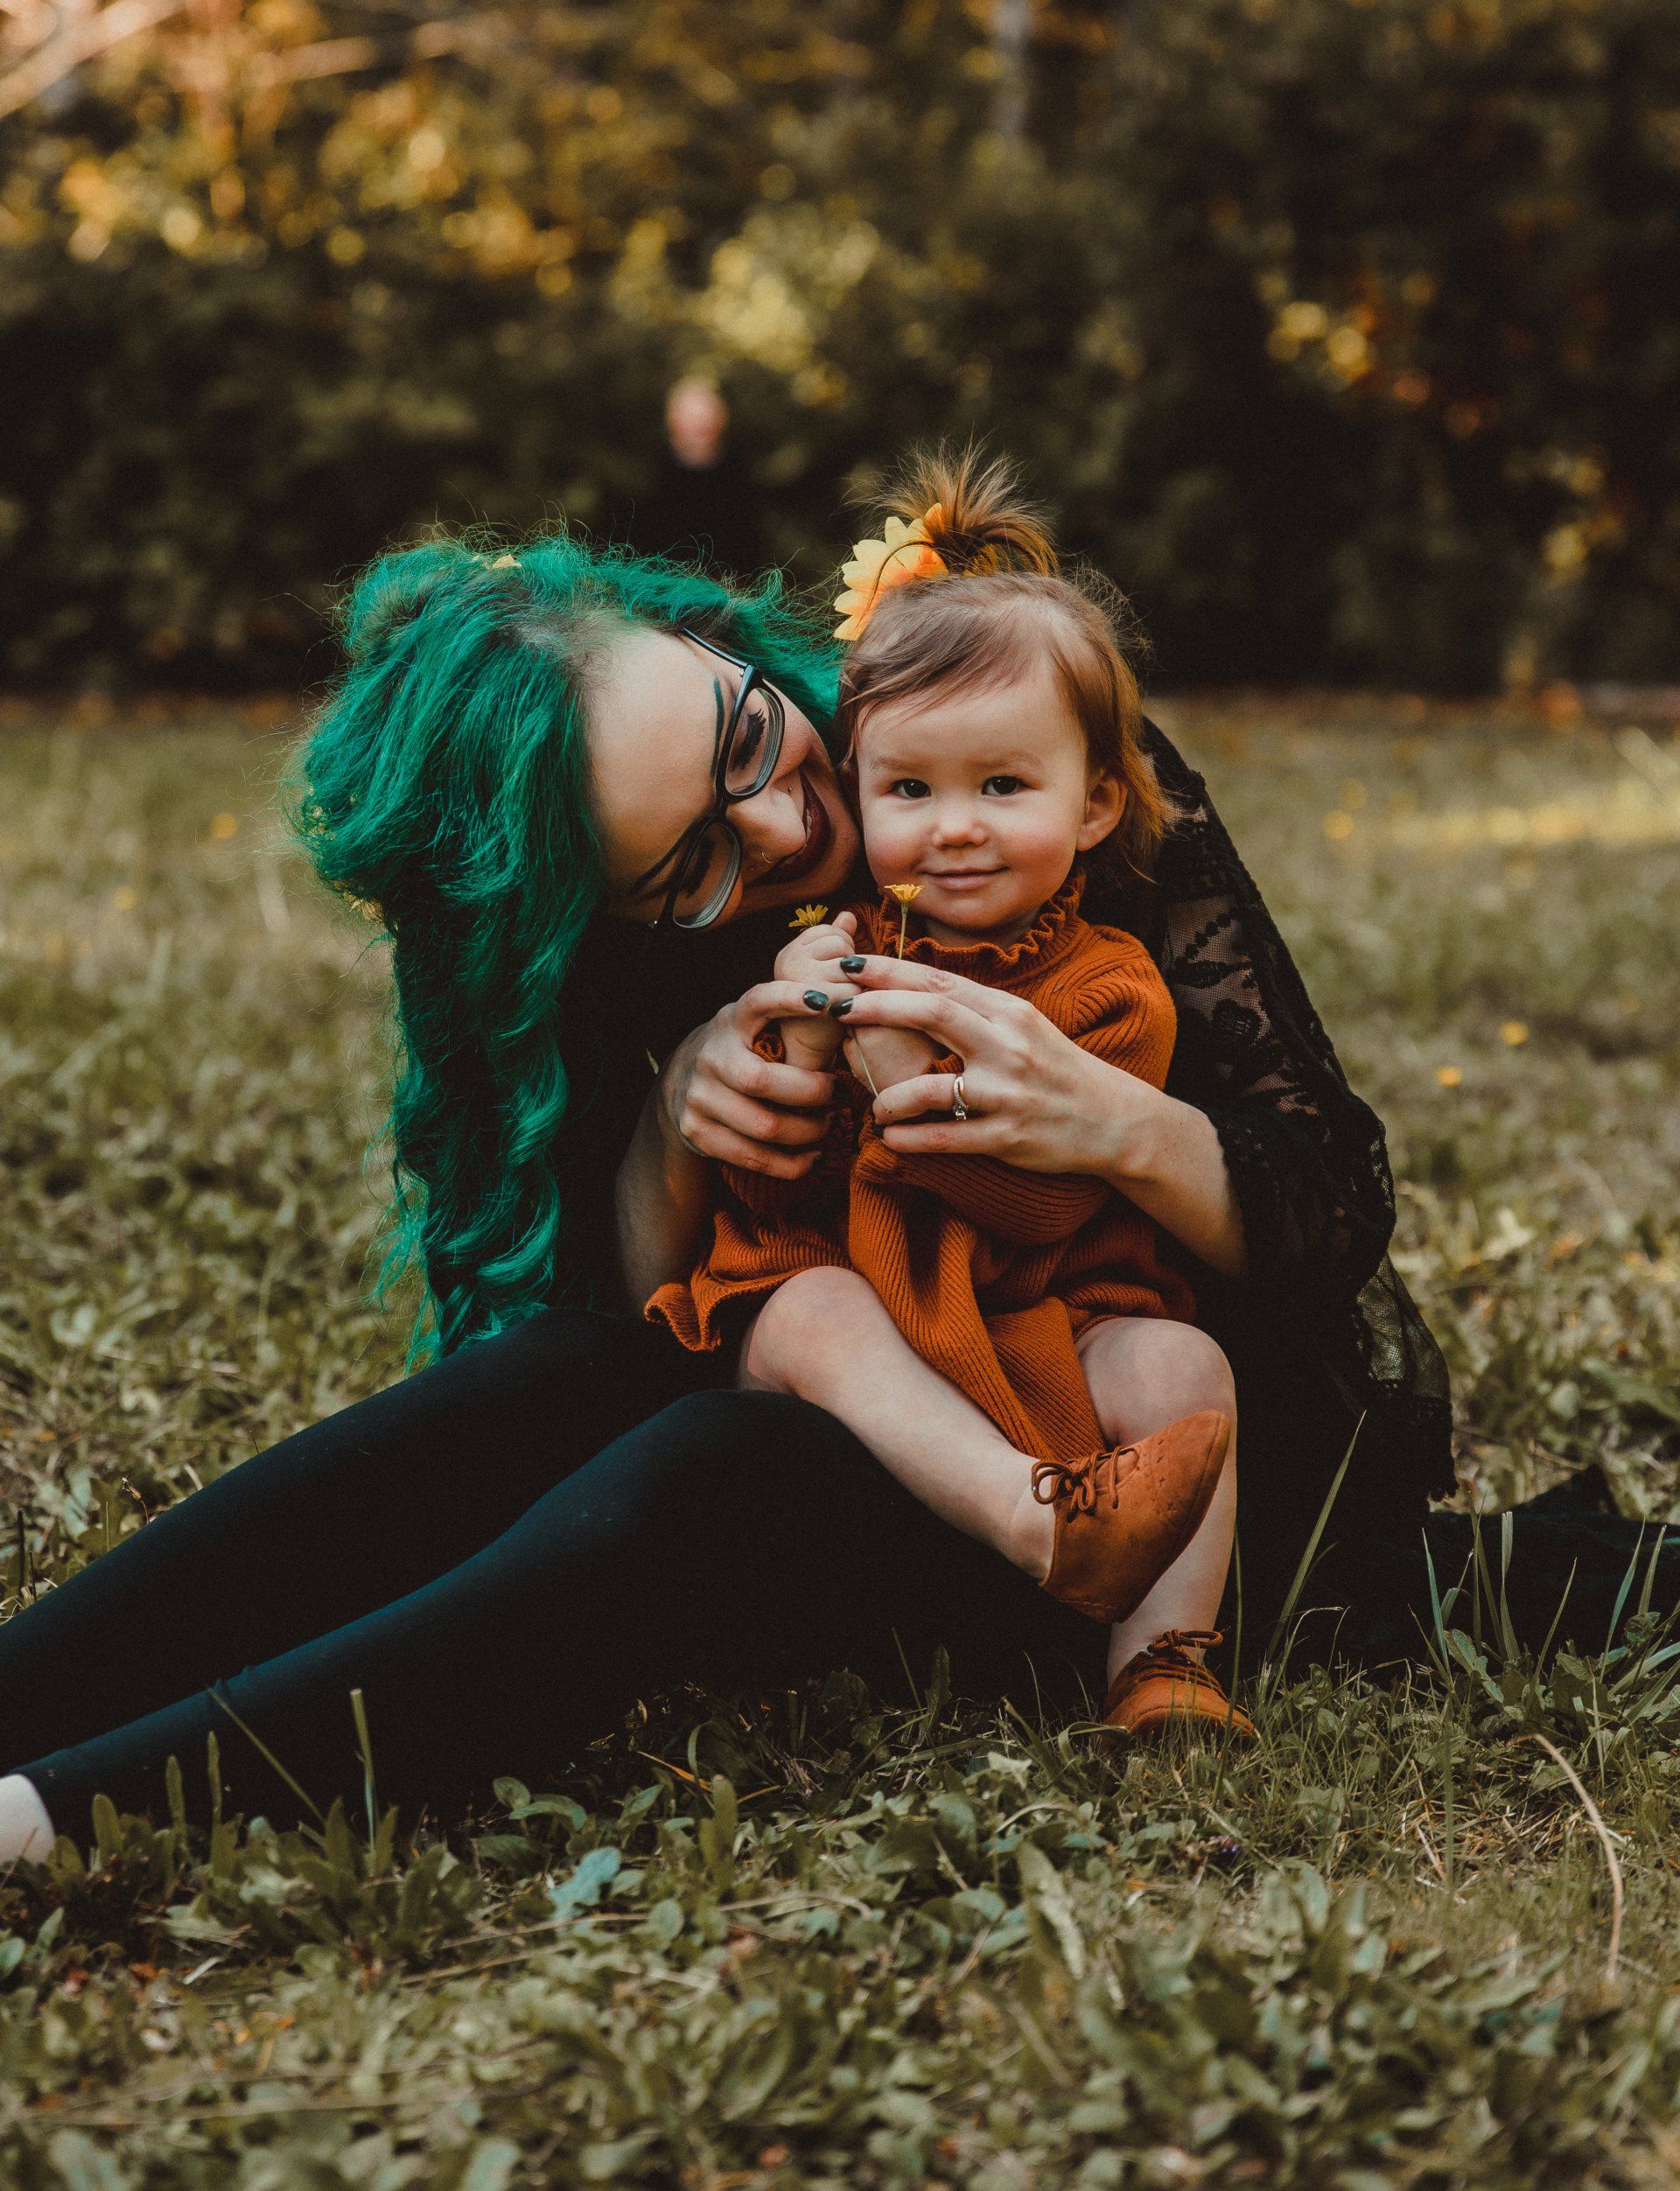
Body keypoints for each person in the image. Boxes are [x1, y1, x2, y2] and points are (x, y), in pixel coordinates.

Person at [0, 478, 1456, 1860]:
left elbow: (1331, 1199)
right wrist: (676, 1121)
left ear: (724, 647)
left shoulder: (998, 737)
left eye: (748, 739)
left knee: (704, 1469)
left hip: (1144, 1441)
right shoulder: (604, 941)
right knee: (539, 1389)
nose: (782, 825)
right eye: (690, 865)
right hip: (866, 1378)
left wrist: (1111, 1121)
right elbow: (596, 1323)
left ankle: (57, 1822)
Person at [649, 457, 1249, 1740]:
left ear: (1094, 805)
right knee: (807, 1305)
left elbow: (1038, 1212)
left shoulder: (1111, 989)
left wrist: (902, 1078)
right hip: (855, 1331)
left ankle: (1166, 1661)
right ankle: (1038, 1520)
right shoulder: (830, 953)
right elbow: (767, 1191)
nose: (957, 826)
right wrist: (798, 1048)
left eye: (1004, 786)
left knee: (1181, 1361)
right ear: (859, 788)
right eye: (911, 790)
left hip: (1030, 1313)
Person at [633, 375, 771, 582]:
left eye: (705, 414)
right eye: (690, 415)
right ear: (671, 418)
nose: (699, 424)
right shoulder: (651, 475)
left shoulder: (739, 476)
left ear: (722, 418)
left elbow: (750, 546)